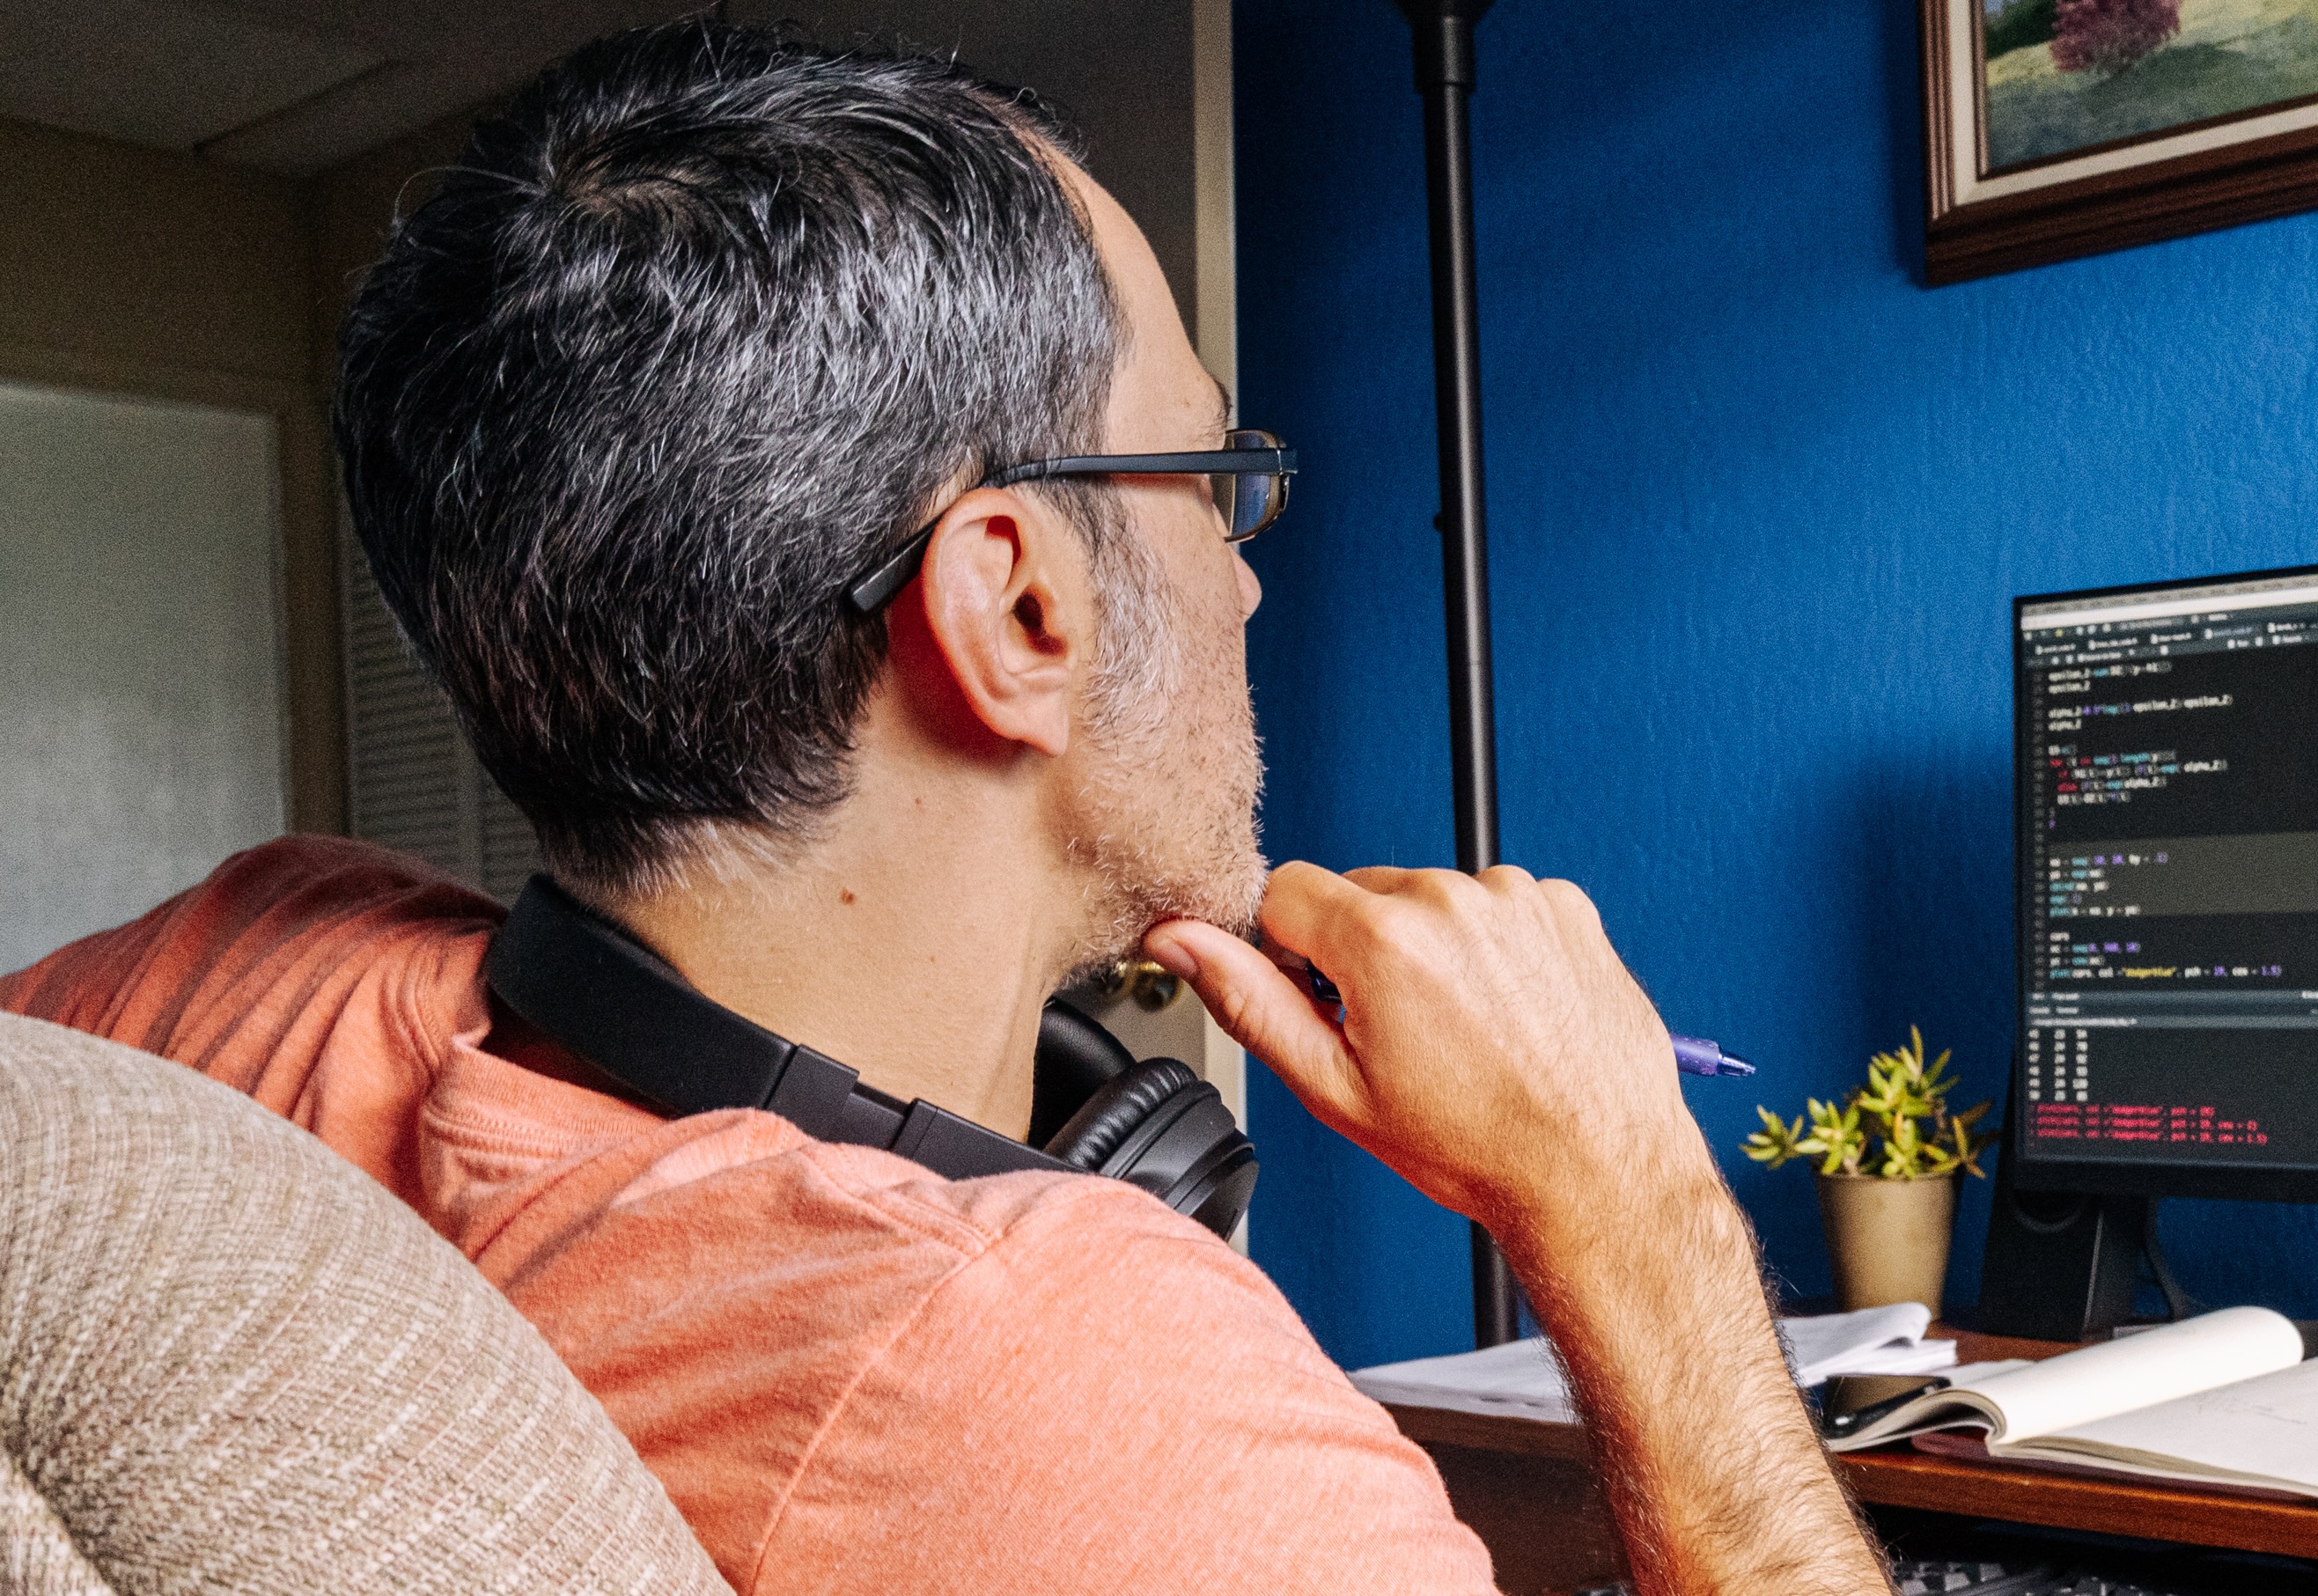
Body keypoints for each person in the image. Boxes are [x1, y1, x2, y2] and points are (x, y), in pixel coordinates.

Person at [0, 23, 1885, 1596]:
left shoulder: (223, 977)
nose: (1243, 578)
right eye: (1211, 476)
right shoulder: (1079, 1393)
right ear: (1016, 608)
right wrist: (1626, 1206)